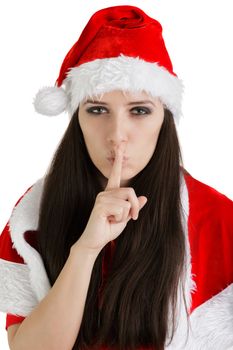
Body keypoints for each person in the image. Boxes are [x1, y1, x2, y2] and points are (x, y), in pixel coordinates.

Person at [0, 4, 232, 350]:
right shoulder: (35, 212)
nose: (116, 135)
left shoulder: (218, 218)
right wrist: (86, 249)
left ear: (164, 120)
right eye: (97, 110)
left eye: (139, 111)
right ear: (76, 119)